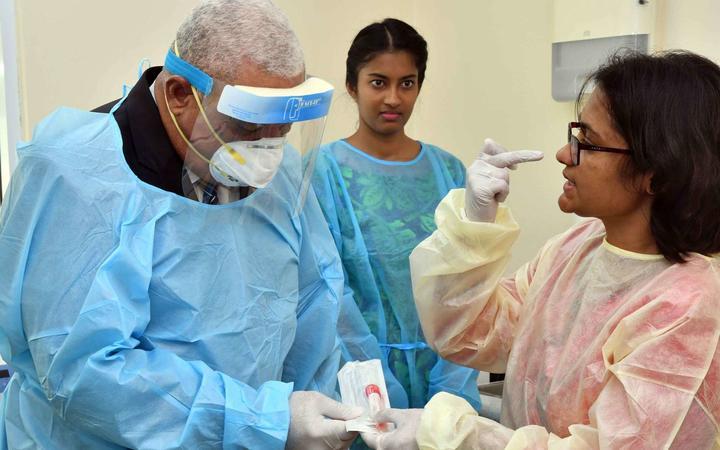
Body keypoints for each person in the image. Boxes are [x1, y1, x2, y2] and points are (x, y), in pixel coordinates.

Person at [0, 1, 363, 448]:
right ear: (179, 94)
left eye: (282, 128)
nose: (267, 149)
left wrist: (325, 417)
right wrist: (264, 423)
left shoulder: (278, 172)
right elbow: (83, 370)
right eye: (249, 126)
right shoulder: (78, 176)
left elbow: (314, 303)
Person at [363, 50, 720, 449]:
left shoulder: (691, 305)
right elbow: (470, 335)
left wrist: (462, 436)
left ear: (655, 175)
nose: (565, 154)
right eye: (575, 134)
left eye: (589, 142)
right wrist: (475, 225)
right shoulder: (576, 248)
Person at [310, 18, 481, 414]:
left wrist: (451, 386)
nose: (393, 98)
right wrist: (374, 383)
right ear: (352, 86)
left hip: (443, 371)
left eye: (407, 83)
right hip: (352, 381)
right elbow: (327, 290)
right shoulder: (322, 172)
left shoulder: (449, 172)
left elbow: (466, 285)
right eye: (378, 82)